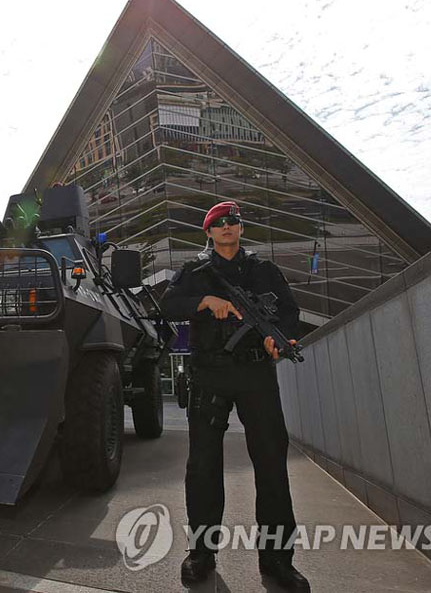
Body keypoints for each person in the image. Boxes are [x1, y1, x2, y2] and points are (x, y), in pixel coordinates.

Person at [160, 201, 309, 591]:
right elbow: (167, 306)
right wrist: (204, 302)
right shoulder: (194, 272)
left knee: (272, 464)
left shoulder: (264, 270)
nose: (227, 227)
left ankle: (277, 560)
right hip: (209, 374)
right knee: (204, 466)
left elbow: (290, 312)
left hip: (257, 374)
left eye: (233, 222)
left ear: (241, 229)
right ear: (208, 232)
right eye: (219, 223)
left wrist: (282, 339)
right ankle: (201, 554)